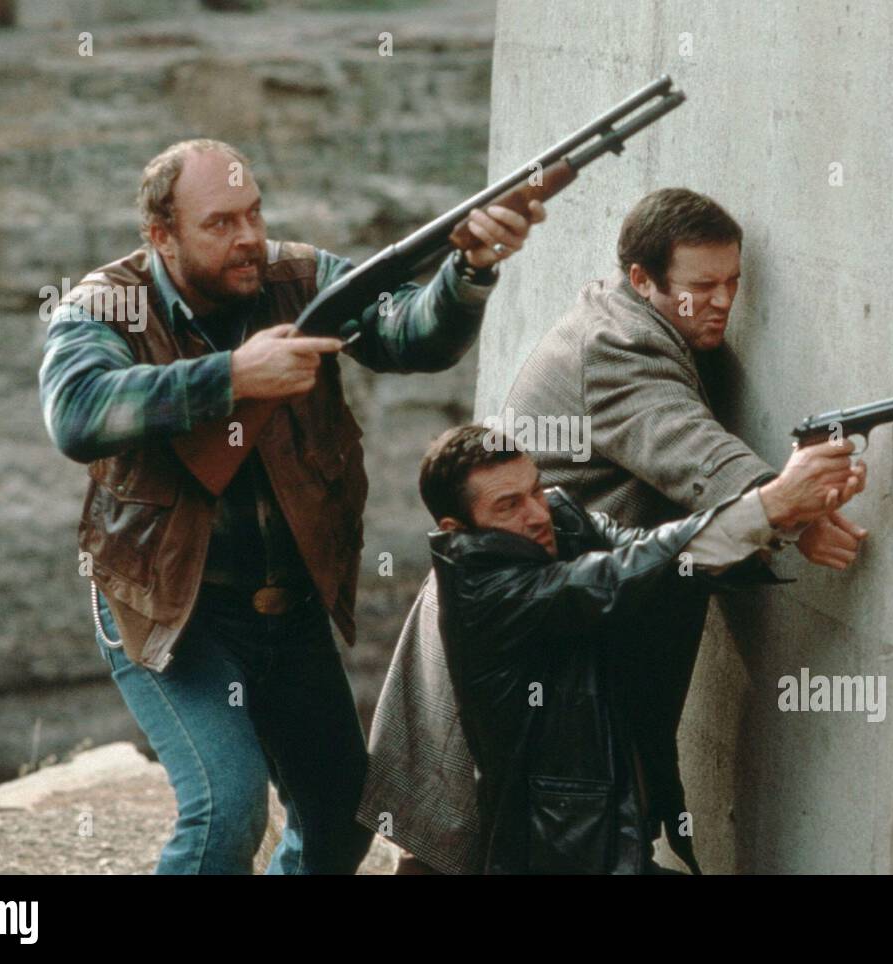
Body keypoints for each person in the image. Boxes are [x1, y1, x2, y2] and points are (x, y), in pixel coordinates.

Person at [37, 137, 543, 874]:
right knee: (225, 811)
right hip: (171, 611)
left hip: (287, 607)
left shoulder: (302, 278)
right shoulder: (105, 304)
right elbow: (76, 416)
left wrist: (469, 270)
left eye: (254, 213)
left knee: (342, 817)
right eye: (219, 223)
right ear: (160, 236)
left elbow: (411, 336)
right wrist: (233, 376)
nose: (248, 238)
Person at [357, 187, 867, 873]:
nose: (721, 301)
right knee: (458, 850)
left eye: (733, 283)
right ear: (641, 280)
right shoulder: (620, 347)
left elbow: (643, 547)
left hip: (547, 651)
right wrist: (781, 502)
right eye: (701, 286)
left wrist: (785, 515)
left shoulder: (638, 334)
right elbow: (689, 452)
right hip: (517, 647)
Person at [419, 425, 846, 873]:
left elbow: (656, 558)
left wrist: (790, 519)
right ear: (456, 529)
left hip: (614, 839)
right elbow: (620, 575)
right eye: (508, 506)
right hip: (563, 855)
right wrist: (773, 501)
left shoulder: (563, 524)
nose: (537, 514)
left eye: (535, 490)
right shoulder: (485, 591)